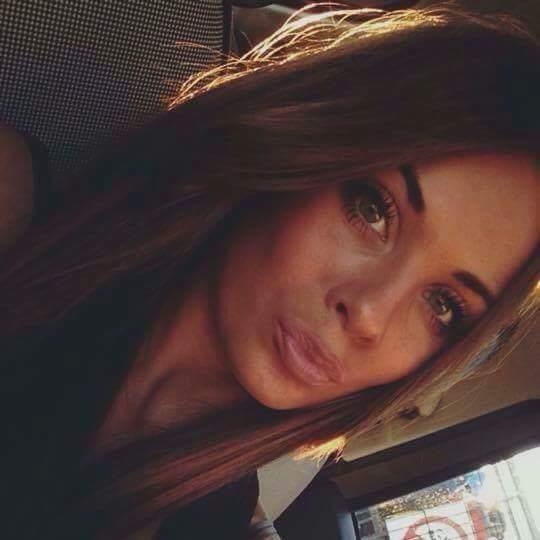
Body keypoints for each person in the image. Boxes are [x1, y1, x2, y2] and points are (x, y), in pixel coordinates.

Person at [1, 5, 539, 540]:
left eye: (443, 305)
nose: (370, 316)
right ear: (300, 147)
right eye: (372, 210)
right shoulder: (15, 205)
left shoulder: (220, 521)